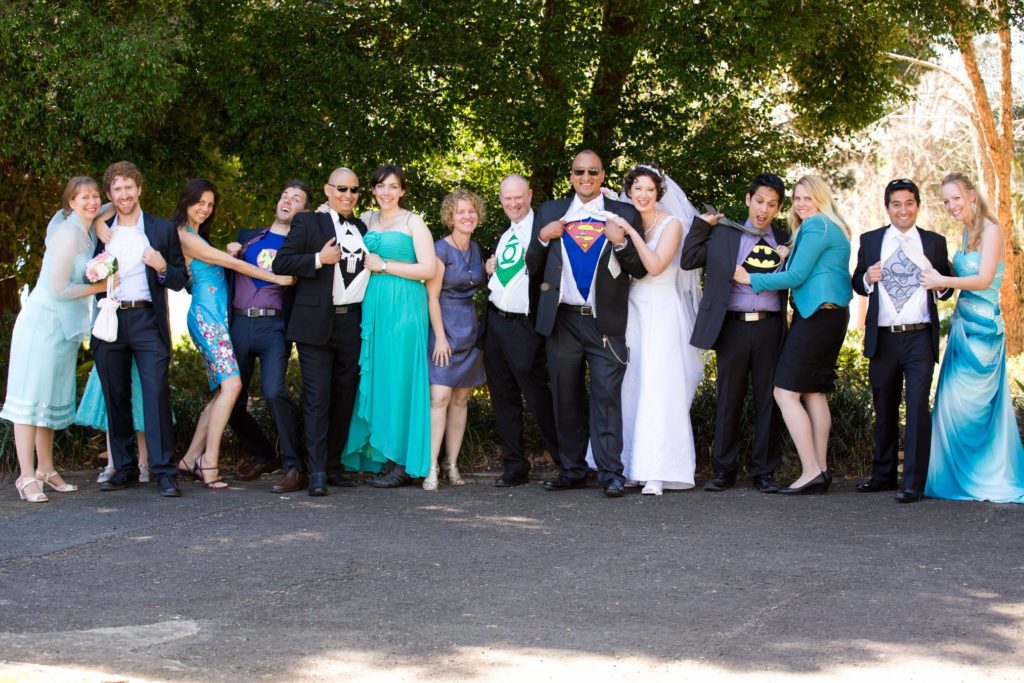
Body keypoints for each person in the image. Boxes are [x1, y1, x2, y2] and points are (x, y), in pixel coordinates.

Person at [526, 150, 648, 498]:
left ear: (602, 175)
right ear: (571, 175)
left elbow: (639, 268)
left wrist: (621, 242)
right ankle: (572, 469)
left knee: (607, 397)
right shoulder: (550, 212)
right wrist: (542, 237)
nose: (585, 177)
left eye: (592, 171)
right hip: (562, 319)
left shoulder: (623, 213)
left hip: (604, 321)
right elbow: (532, 266)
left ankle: (611, 473)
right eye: (579, 171)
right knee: (565, 397)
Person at [734, 175, 852, 495]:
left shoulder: (816, 226)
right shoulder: (829, 226)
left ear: (821, 198)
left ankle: (811, 470)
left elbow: (797, 276)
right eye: (798, 198)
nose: (801, 204)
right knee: (813, 392)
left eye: (808, 198)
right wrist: (787, 249)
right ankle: (822, 470)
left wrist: (750, 279)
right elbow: (808, 262)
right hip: (832, 315)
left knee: (785, 394)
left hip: (815, 318)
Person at [171, 179, 293, 489]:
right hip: (206, 319)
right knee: (233, 385)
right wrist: (275, 277)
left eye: (210, 204)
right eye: (200, 201)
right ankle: (208, 463)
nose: (205, 208)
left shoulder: (197, 235)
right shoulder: (185, 236)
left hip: (218, 320)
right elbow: (229, 263)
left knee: (222, 393)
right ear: (187, 201)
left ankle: (189, 458)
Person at [595, 163, 705, 496]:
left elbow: (655, 266)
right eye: (637, 189)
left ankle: (658, 469)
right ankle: (630, 466)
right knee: (631, 386)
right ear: (629, 191)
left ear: (659, 194)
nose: (643, 195)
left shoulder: (672, 224)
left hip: (661, 311)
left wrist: (628, 232)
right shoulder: (626, 216)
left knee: (659, 388)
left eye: (650, 190)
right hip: (633, 311)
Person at [1, 177, 109, 503]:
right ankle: (25, 475)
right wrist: (100, 288)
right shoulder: (66, 235)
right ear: (70, 203)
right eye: (83, 197)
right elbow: (59, 288)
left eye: (94, 196)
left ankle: (46, 469)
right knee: (31, 400)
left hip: (63, 329)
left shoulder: (86, 228)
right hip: (42, 324)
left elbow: (110, 206)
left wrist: (102, 220)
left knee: (49, 398)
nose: (92, 202)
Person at [681, 173, 790, 493]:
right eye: (759, 201)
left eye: (771, 205)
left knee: (768, 400)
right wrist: (702, 225)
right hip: (733, 325)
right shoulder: (726, 234)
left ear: (779, 208)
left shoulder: (785, 237)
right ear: (747, 199)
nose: (763, 210)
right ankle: (723, 470)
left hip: (771, 326)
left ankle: (764, 472)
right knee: (729, 398)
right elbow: (688, 260)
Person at [920, 173, 1024, 503]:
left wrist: (943, 277)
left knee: (974, 406)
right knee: (949, 404)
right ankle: (959, 478)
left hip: (984, 334)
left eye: (955, 198)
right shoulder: (966, 233)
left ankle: (984, 476)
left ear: (972, 196)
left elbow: (983, 280)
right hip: (961, 328)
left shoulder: (992, 230)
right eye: (946, 200)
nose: (951, 205)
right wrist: (939, 282)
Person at [92, 161, 189, 498]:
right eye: (117, 189)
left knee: (156, 394)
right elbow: (87, 274)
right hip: (111, 319)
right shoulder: (103, 231)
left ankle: (164, 471)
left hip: (148, 320)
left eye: (128, 187)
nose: (124, 194)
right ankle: (124, 467)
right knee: (115, 395)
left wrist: (162, 267)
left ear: (139, 189)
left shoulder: (161, 230)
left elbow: (180, 280)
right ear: (110, 194)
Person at [852, 178, 952, 503]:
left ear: (918, 206)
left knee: (917, 408)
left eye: (909, 203)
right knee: (884, 407)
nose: (903, 210)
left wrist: (938, 281)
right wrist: (867, 278)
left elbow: (947, 288)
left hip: (920, 337)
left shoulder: (934, 242)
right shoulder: (870, 240)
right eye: (896, 204)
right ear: (888, 207)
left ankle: (912, 483)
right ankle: (882, 476)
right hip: (883, 338)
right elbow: (857, 281)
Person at [273, 167, 369, 496]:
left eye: (354, 190)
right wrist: (318, 258)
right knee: (317, 399)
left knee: (344, 396)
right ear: (328, 189)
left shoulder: (361, 227)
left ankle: (332, 465)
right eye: (341, 188)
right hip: (315, 323)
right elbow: (281, 263)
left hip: (352, 323)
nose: (348, 195)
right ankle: (315, 473)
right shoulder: (308, 222)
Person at [343, 164, 436, 487]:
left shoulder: (414, 222)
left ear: (403, 191)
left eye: (393, 187)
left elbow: (429, 268)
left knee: (400, 380)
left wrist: (384, 264)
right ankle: (382, 455)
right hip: (374, 305)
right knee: (379, 376)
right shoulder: (365, 220)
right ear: (373, 189)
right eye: (381, 186)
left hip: (404, 307)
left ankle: (402, 462)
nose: (386, 192)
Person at [226, 181, 309, 492]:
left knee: (275, 392)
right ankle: (263, 453)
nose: (287, 200)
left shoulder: (301, 248)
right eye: (285, 195)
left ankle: (294, 466)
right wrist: (231, 252)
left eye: (296, 199)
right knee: (230, 397)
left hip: (274, 327)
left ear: (304, 211)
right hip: (239, 324)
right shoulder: (247, 238)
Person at [483, 174, 559, 487]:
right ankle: (514, 466)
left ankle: (567, 460)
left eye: (518, 197)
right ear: (500, 200)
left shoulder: (543, 228)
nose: (513, 204)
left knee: (539, 397)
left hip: (524, 325)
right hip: (495, 323)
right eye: (506, 198)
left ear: (529, 194)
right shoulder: (504, 232)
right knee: (503, 398)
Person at [424, 189, 486, 491]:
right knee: (440, 398)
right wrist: (439, 338)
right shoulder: (440, 249)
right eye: (461, 211)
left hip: (469, 330)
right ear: (450, 216)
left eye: (472, 210)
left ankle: (452, 464)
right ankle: (431, 466)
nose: (467, 216)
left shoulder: (476, 248)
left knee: (461, 399)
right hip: (444, 327)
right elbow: (431, 297)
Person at [76, 362, 151, 483]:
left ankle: (143, 462)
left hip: (137, 357)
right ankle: (112, 463)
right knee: (111, 405)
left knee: (140, 404)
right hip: (111, 348)